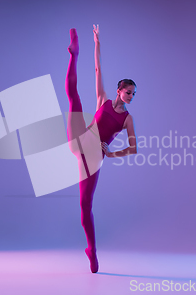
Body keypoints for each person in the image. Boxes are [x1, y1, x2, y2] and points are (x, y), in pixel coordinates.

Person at [65, 25, 137, 273]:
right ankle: (74, 55)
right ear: (119, 90)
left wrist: (111, 153)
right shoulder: (103, 99)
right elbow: (98, 68)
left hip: (94, 156)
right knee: (74, 98)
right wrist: (96, 42)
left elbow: (133, 149)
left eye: (133, 94)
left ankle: (92, 250)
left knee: (85, 205)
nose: (131, 96)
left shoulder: (127, 119)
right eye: (128, 92)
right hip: (81, 140)